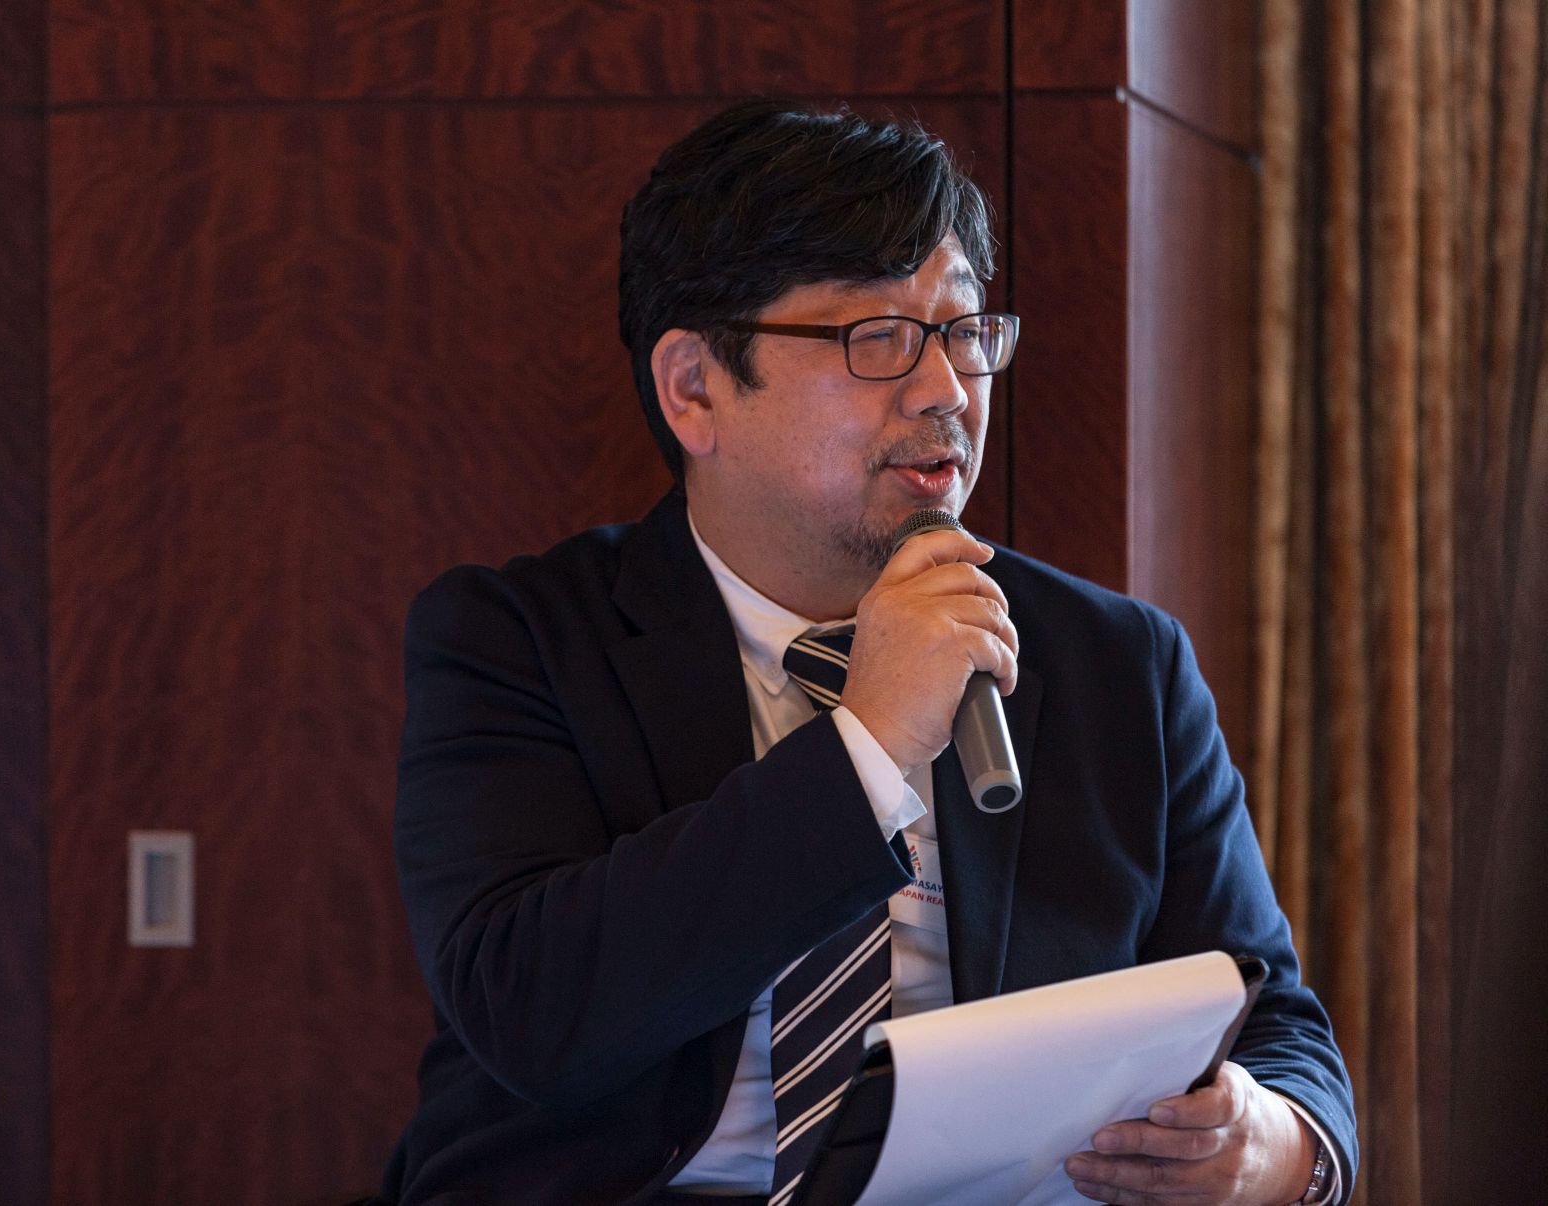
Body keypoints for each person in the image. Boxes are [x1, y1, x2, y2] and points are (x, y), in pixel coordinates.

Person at [380, 100, 1356, 1205]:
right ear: (694, 387)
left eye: (963, 332)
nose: (945, 390)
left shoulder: (1117, 664)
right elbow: (532, 1013)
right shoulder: (516, 640)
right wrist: (872, 740)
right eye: (877, 337)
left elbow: (1276, 1026)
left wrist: (1272, 1146)